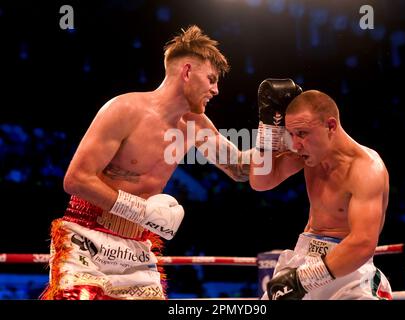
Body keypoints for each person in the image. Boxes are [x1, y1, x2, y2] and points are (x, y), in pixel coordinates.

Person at [41, 25, 250, 300]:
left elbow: (239, 170)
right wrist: (140, 210)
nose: (216, 89)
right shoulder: (125, 110)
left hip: (138, 246)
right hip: (86, 236)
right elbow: (75, 180)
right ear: (187, 72)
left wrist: (276, 131)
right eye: (211, 79)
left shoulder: (196, 126)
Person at [250, 79, 392, 300]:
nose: (295, 144)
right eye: (292, 134)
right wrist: (268, 126)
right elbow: (261, 182)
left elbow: (363, 242)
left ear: (331, 126)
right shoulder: (307, 154)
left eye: (303, 134)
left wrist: (302, 280)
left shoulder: (365, 169)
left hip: (347, 270)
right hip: (304, 256)